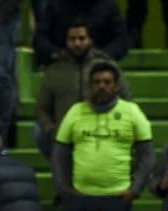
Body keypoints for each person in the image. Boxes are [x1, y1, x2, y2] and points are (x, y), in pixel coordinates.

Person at [52, 61, 155, 211]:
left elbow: (147, 156)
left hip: (116, 198)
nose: (102, 86)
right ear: (90, 86)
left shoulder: (131, 112)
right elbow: (59, 154)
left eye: (107, 82)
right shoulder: (75, 111)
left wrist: (134, 190)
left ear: (116, 86)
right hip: (80, 197)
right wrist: (63, 188)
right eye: (97, 82)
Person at [34, 19, 130, 160]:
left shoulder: (106, 65)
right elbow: (42, 108)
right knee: (37, 131)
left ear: (90, 39)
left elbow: (126, 101)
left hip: (101, 133)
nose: (77, 43)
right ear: (66, 41)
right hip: (65, 136)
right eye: (72, 39)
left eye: (81, 38)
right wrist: (51, 130)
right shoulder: (54, 69)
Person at [33, 0, 128, 66]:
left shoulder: (109, 6)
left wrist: (103, 54)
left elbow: (122, 40)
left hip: (99, 70)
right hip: (63, 69)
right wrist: (57, 53)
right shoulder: (55, 5)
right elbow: (40, 38)